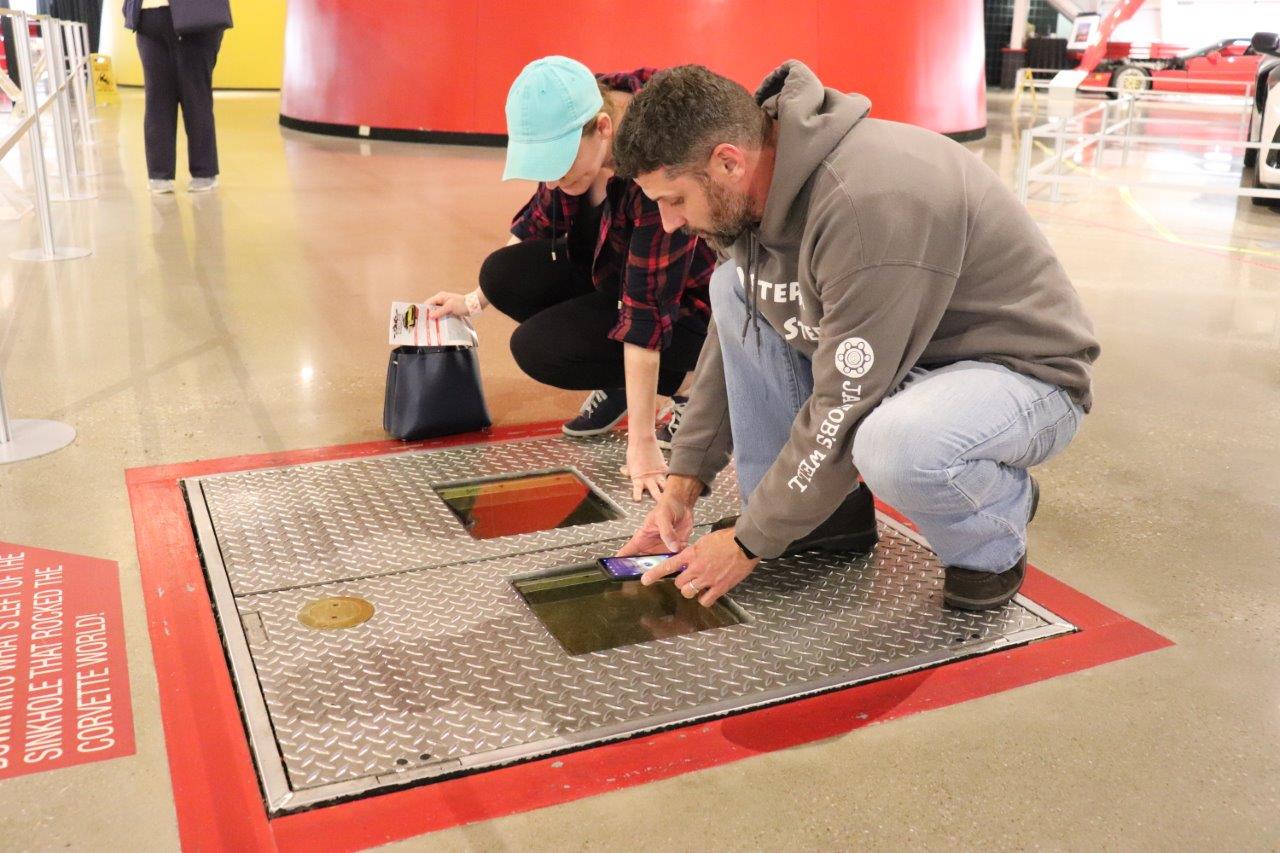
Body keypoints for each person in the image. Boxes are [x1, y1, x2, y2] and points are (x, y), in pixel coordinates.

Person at [612, 62, 1100, 611]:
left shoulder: (866, 205)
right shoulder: (748, 194)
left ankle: (991, 529)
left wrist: (749, 542)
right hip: (905, 357)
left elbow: (844, 404)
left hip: (1019, 374)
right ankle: (821, 517)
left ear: (728, 161)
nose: (669, 221)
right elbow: (733, 342)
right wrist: (685, 482)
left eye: (673, 199)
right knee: (732, 287)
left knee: (897, 446)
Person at [427, 57, 716, 501]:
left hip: (688, 312)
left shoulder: (657, 170)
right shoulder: (573, 132)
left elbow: (646, 311)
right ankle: (622, 382)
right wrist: (471, 302)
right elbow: (533, 228)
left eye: (561, 166)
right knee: (501, 273)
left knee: (539, 349)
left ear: (603, 128)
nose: (556, 181)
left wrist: (641, 446)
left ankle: (691, 389)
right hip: (616, 280)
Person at [122, 0, 231, 194]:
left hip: (196, 16)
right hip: (148, 18)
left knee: (196, 96)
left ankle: (203, 171)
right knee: (157, 98)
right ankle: (159, 173)